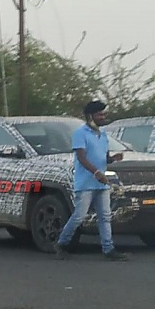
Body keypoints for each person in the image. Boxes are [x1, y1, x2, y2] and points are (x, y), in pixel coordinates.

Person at [54, 100, 128, 261]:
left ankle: (108, 249)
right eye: (99, 114)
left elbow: (103, 157)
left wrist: (113, 158)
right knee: (79, 216)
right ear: (90, 116)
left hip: (101, 183)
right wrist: (96, 172)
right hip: (86, 183)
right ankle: (62, 243)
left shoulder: (103, 135)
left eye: (103, 114)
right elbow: (81, 157)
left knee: (105, 216)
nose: (103, 117)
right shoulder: (81, 133)